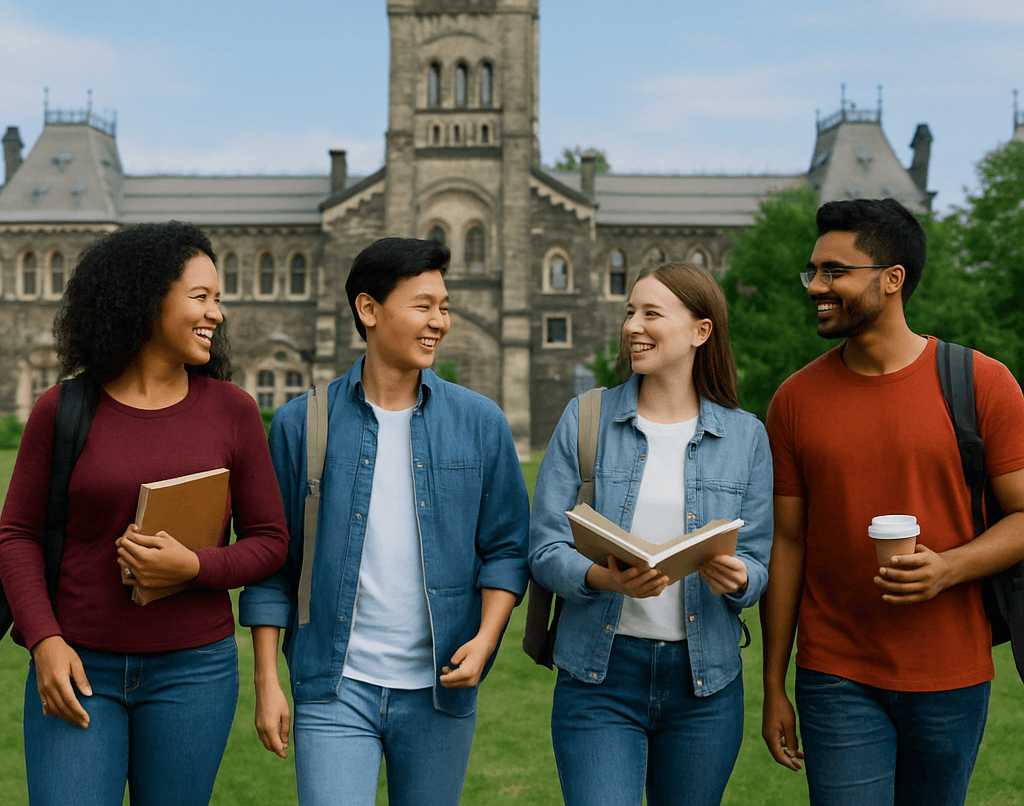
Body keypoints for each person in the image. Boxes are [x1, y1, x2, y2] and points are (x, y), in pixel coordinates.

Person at [0, 221, 289, 806]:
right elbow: (17, 535)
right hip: (77, 667)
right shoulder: (63, 408)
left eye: (219, 298)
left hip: (193, 674)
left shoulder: (232, 411)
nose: (218, 313)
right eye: (202, 297)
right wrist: (44, 640)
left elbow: (270, 540)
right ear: (146, 297)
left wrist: (194, 567)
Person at [240, 236, 530, 806]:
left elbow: (506, 549)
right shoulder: (303, 424)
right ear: (368, 310)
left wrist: (485, 639)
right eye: (423, 305)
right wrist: (267, 680)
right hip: (332, 688)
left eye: (443, 306)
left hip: (440, 690)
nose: (440, 322)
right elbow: (272, 562)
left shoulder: (480, 422)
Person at [760, 197, 1024, 806]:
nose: (816, 287)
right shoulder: (795, 400)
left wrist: (948, 567)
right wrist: (775, 682)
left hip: (952, 673)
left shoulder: (982, 382)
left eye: (834, 272)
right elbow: (788, 541)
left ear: (892, 279)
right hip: (836, 674)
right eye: (814, 271)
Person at [529, 262, 773, 806]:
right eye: (629, 312)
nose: (632, 325)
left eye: (651, 313)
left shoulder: (746, 437)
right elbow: (544, 549)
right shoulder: (584, 418)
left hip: (704, 685)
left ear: (700, 331)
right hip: (600, 679)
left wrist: (738, 577)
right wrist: (603, 578)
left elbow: (759, 564)